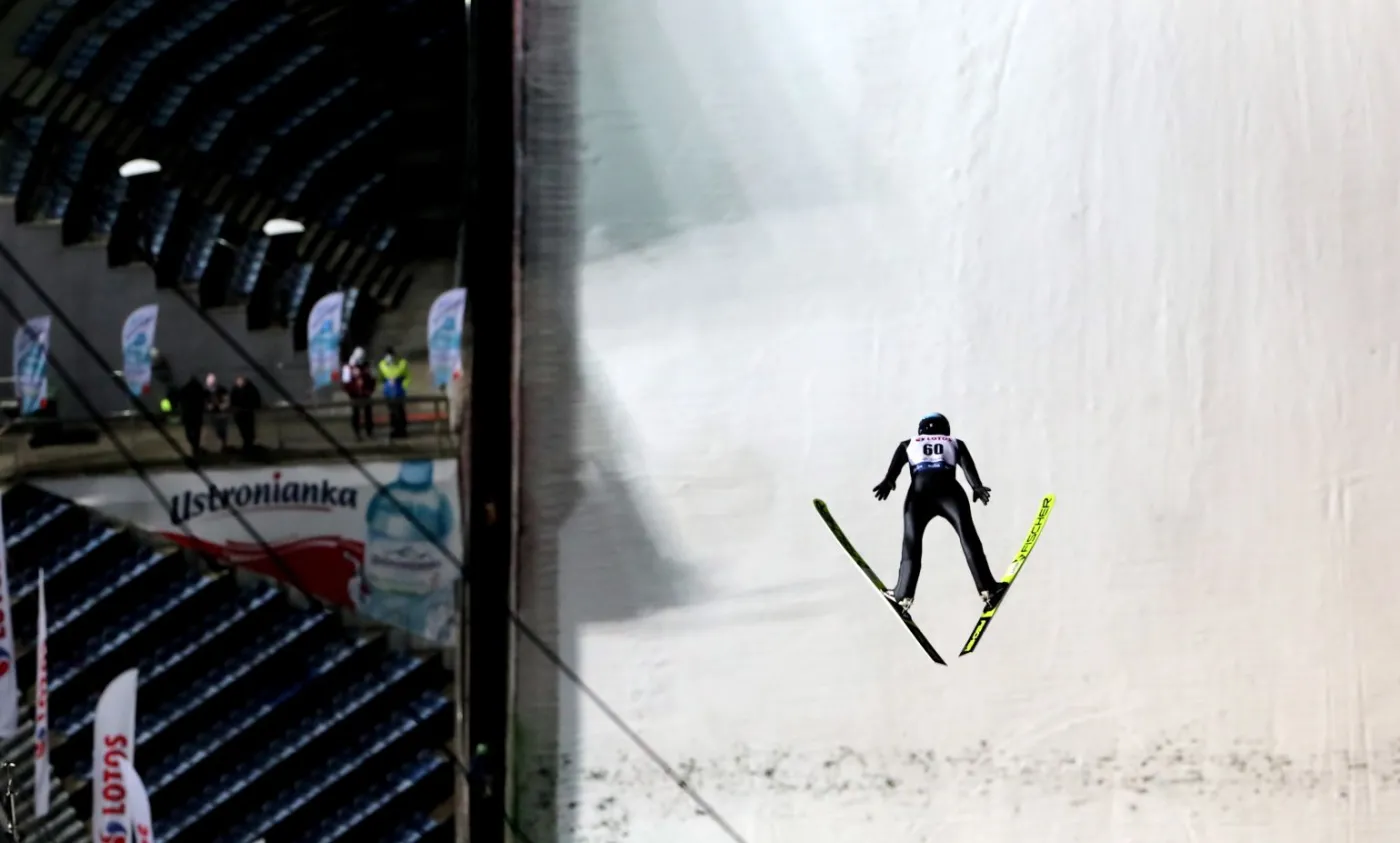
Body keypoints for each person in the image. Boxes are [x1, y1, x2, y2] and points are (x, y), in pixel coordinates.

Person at [872, 413, 1005, 613]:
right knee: (968, 537)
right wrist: (976, 487)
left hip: (918, 495)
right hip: (950, 493)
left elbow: (897, 464)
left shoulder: (909, 443)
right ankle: (987, 588)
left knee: (911, 543)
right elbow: (966, 464)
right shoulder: (954, 442)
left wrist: (888, 481)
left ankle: (903, 594)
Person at [341, 347, 376, 439]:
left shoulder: (368, 366)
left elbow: (373, 378)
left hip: (366, 393)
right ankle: (357, 433)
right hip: (354, 395)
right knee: (355, 414)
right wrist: (352, 391)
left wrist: (370, 390)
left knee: (368, 414)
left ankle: (369, 432)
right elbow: (346, 383)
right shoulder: (348, 367)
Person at [377, 346, 410, 439]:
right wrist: (383, 386)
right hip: (388, 391)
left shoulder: (402, 363)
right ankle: (394, 429)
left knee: (400, 411)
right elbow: (380, 378)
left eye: (390, 355)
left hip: (399, 390)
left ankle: (402, 430)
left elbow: (408, 377)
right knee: (392, 411)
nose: (389, 358)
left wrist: (403, 386)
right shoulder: (382, 365)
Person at [229, 375, 262, 453]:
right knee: (245, 430)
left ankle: (248, 445)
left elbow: (255, 399)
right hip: (242, 412)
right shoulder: (237, 389)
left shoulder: (248, 389)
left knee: (248, 430)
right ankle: (248, 445)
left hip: (246, 412)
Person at [175, 375, 206, 460]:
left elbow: (178, 399)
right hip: (196, 416)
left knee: (189, 434)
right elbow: (203, 401)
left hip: (188, 415)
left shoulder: (184, 390)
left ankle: (195, 448)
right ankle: (196, 449)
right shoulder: (199, 390)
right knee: (196, 434)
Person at [204, 373, 230, 452]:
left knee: (222, 429)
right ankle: (220, 444)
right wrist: (208, 407)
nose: (210, 383)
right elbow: (204, 402)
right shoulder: (206, 392)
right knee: (216, 429)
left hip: (221, 413)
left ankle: (223, 444)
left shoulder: (222, 390)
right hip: (213, 413)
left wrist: (223, 406)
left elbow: (227, 400)